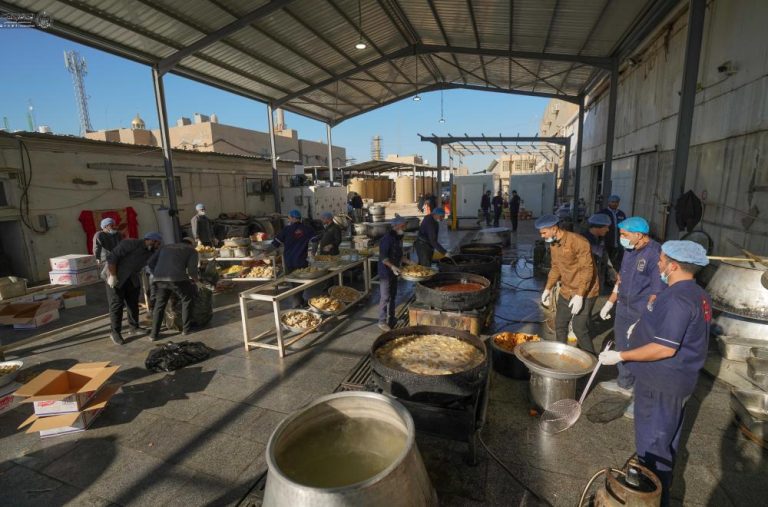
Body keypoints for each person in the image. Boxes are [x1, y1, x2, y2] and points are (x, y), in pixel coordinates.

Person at [599, 240, 711, 506]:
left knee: (653, 446)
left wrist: (622, 355)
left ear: (672, 266)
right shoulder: (696, 293)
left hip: (661, 382)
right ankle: (659, 488)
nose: (658, 263)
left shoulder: (678, 299)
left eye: (661, 260)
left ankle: (653, 497)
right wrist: (641, 325)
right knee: (666, 441)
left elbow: (664, 348)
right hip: (676, 381)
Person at [598, 217, 666, 410]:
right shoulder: (629, 250)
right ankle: (624, 383)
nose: (621, 238)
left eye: (625, 235)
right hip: (623, 307)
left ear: (638, 235)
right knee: (622, 346)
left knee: (640, 351)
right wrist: (610, 302)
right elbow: (621, 279)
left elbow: (657, 291)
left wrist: (643, 319)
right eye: (621, 234)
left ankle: (641, 398)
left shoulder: (655, 254)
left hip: (641, 310)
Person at [536, 214, 599, 354]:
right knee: (560, 324)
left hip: (587, 291)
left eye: (544, 232)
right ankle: (561, 353)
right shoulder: (553, 244)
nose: (542, 236)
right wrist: (547, 288)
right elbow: (556, 268)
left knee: (579, 328)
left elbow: (587, 270)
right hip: (567, 289)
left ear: (553, 228)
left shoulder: (578, 241)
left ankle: (591, 362)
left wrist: (580, 295)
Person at [105, 232, 163, 345]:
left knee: (132, 303)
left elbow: (152, 266)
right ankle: (115, 332)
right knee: (116, 305)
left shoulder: (150, 252)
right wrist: (112, 275)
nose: (158, 246)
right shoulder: (130, 243)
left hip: (132, 279)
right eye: (157, 243)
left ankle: (134, 327)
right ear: (151, 240)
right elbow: (112, 258)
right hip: (116, 278)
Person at [147, 239, 199, 340]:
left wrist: (156, 273)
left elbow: (150, 262)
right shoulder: (192, 250)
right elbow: (192, 271)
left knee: (159, 305)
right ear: (191, 244)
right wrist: (197, 282)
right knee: (187, 299)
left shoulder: (165, 247)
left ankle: (153, 334)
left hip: (159, 279)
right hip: (177, 279)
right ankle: (186, 329)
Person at [377, 216, 413, 331]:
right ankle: (381, 321)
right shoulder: (386, 239)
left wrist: (408, 261)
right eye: (403, 225)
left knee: (393, 295)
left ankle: (392, 318)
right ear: (396, 226)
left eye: (405, 225)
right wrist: (392, 266)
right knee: (385, 297)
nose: (405, 227)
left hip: (395, 271)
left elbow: (398, 255)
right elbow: (383, 257)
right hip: (386, 272)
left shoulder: (398, 237)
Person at [599, 195, 627, 273]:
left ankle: (615, 279)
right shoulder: (603, 213)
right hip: (607, 242)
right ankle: (605, 279)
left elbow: (625, 228)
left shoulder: (621, 214)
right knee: (605, 263)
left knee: (618, 263)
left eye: (616, 202)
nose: (614, 204)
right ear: (609, 202)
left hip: (619, 243)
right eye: (612, 202)